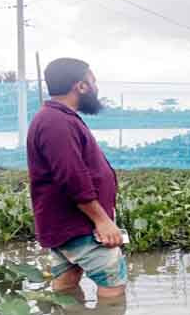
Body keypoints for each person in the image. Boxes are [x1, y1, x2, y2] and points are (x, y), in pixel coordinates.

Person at [26, 57, 126, 298]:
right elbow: (72, 177)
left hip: (66, 225)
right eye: (93, 81)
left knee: (67, 284)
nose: (96, 88)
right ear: (80, 86)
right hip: (79, 226)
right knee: (113, 289)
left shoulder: (57, 117)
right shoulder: (56, 122)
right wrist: (102, 221)